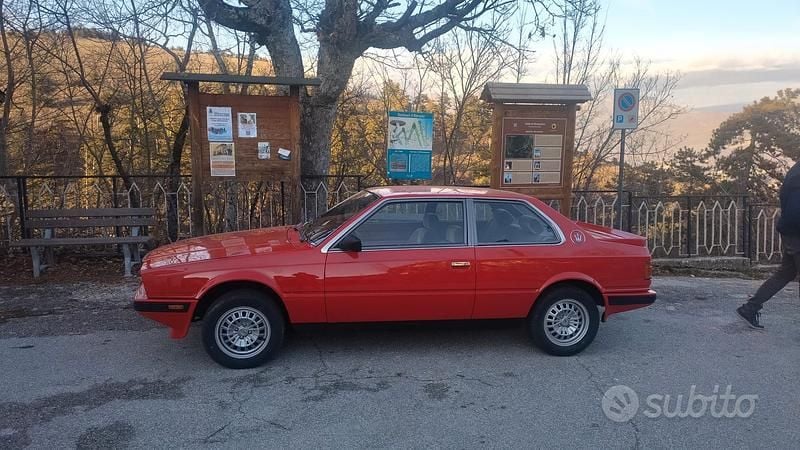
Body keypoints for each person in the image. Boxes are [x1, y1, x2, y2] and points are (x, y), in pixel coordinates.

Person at [737, 160, 800, 329]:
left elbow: (784, 197)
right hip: (797, 230)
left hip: (788, 228)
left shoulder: (794, 170)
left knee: (785, 274)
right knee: (784, 274)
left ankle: (750, 308)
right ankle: (750, 307)